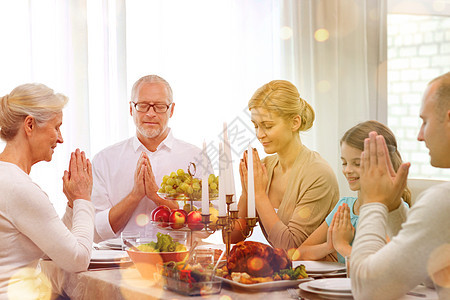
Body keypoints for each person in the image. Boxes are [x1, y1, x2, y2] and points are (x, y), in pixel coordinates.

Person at [351, 72, 450, 299]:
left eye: (425, 121)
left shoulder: (444, 200)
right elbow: (433, 276)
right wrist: (394, 209)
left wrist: (373, 202)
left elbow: (368, 290)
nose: (419, 136)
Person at [0, 83, 94, 299]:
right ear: (30, 125)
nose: (60, 138)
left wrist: (72, 205)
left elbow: (53, 247)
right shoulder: (18, 187)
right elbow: (78, 260)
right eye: (56, 127)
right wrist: (83, 198)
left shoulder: (8, 179)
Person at [92, 75, 212, 242]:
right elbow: (100, 229)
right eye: (142, 106)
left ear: (171, 110)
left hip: (179, 260)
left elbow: (206, 225)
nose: (150, 113)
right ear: (131, 109)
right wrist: (135, 195)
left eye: (160, 106)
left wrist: (157, 196)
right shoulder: (104, 160)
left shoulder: (196, 157)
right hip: (120, 262)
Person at [232, 79, 339, 253]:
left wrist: (258, 195)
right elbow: (232, 238)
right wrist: (246, 193)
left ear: (294, 123)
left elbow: (292, 249)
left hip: (319, 277)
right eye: (256, 126)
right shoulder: (264, 168)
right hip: (282, 275)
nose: (259, 135)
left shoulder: (318, 174)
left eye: (268, 126)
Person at [294, 120, 411, 263]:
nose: (347, 170)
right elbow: (299, 253)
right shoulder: (345, 207)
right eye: (344, 162)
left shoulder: (394, 213)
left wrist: (341, 246)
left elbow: (382, 265)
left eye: (357, 163)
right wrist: (329, 246)